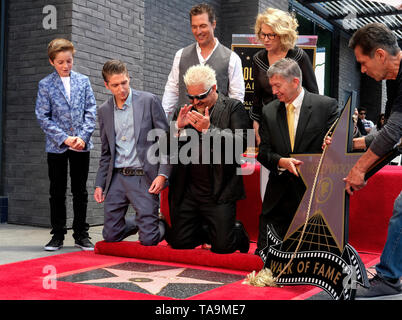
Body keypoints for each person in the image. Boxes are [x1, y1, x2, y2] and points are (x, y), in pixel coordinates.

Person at [344, 23, 402, 300]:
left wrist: (359, 168)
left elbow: (393, 133)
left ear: (380, 55)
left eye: (363, 63)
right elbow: (389, 129)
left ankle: (389, 277)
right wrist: (349, 144)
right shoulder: (394, 78)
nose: (363, 71)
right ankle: (391, 275)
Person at [256, 58, 338, 253]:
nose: (274, 91)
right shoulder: (268, 111)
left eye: (277, 85)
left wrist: (334, 144)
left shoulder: (325, 106)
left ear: (295, 81)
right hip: (278, 198)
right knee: (266, 256)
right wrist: (281, 161)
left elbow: (341, 147)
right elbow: (263, 153)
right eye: (272, 86)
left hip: (313, 196)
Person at [166, 64, 250, 254]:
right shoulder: (184, 109)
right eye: (191, 97)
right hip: (188, 191)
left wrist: (208, 129)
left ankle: (235, 232)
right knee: (179, 243)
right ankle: (208, 231)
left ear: (213, 89)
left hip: (219, 191)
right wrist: (176, 129)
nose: (196, 101)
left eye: (201, 96)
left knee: (222, 248)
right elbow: (165, 149)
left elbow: (242, 143)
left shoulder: (233, 107)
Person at [94, 60, 171, 245]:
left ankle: (158, 224)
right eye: (115, 85)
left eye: (124, 82)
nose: (121, 89)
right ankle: (143, 221)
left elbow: (166, 142)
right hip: (117, 179)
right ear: (106, 85)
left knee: (149, 241)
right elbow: (106, 152)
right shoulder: (104, 110)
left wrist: (162, 175)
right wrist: (100, 184)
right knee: (111, 237)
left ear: (129, 78)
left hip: (143, 176)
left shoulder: (148, 101)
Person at [35, 38, 97, 251]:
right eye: (60, 62)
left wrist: (83, 137)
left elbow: (91, 110)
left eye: (69, 61)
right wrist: (64, 138)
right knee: (57, 191)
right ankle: (57, 235)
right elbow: (43, 116)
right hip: (57, 146)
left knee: (80, 190)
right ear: (52, 62)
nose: (65, 66)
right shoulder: (45, 84)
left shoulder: (83, 81)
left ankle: (81, 234)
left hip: (81, 144)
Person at [162, 3, 245, 120]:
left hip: (217, 128)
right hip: (186, 127)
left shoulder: (231, 58)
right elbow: (172, 91)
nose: (198, 31)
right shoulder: (181, 55)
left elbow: (236, 97)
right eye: (194, 26)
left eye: (203, 26)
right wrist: (162, 119)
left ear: (214, 24)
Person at [251, 7, 319, 145]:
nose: (266, 39)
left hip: (295, 122)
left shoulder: (299, 57)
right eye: (263, 34)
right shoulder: (258, 59)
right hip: (268, 121)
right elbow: (257, 97)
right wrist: (256, 124)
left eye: (271, 35)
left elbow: (313, 93)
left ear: (283, 34)